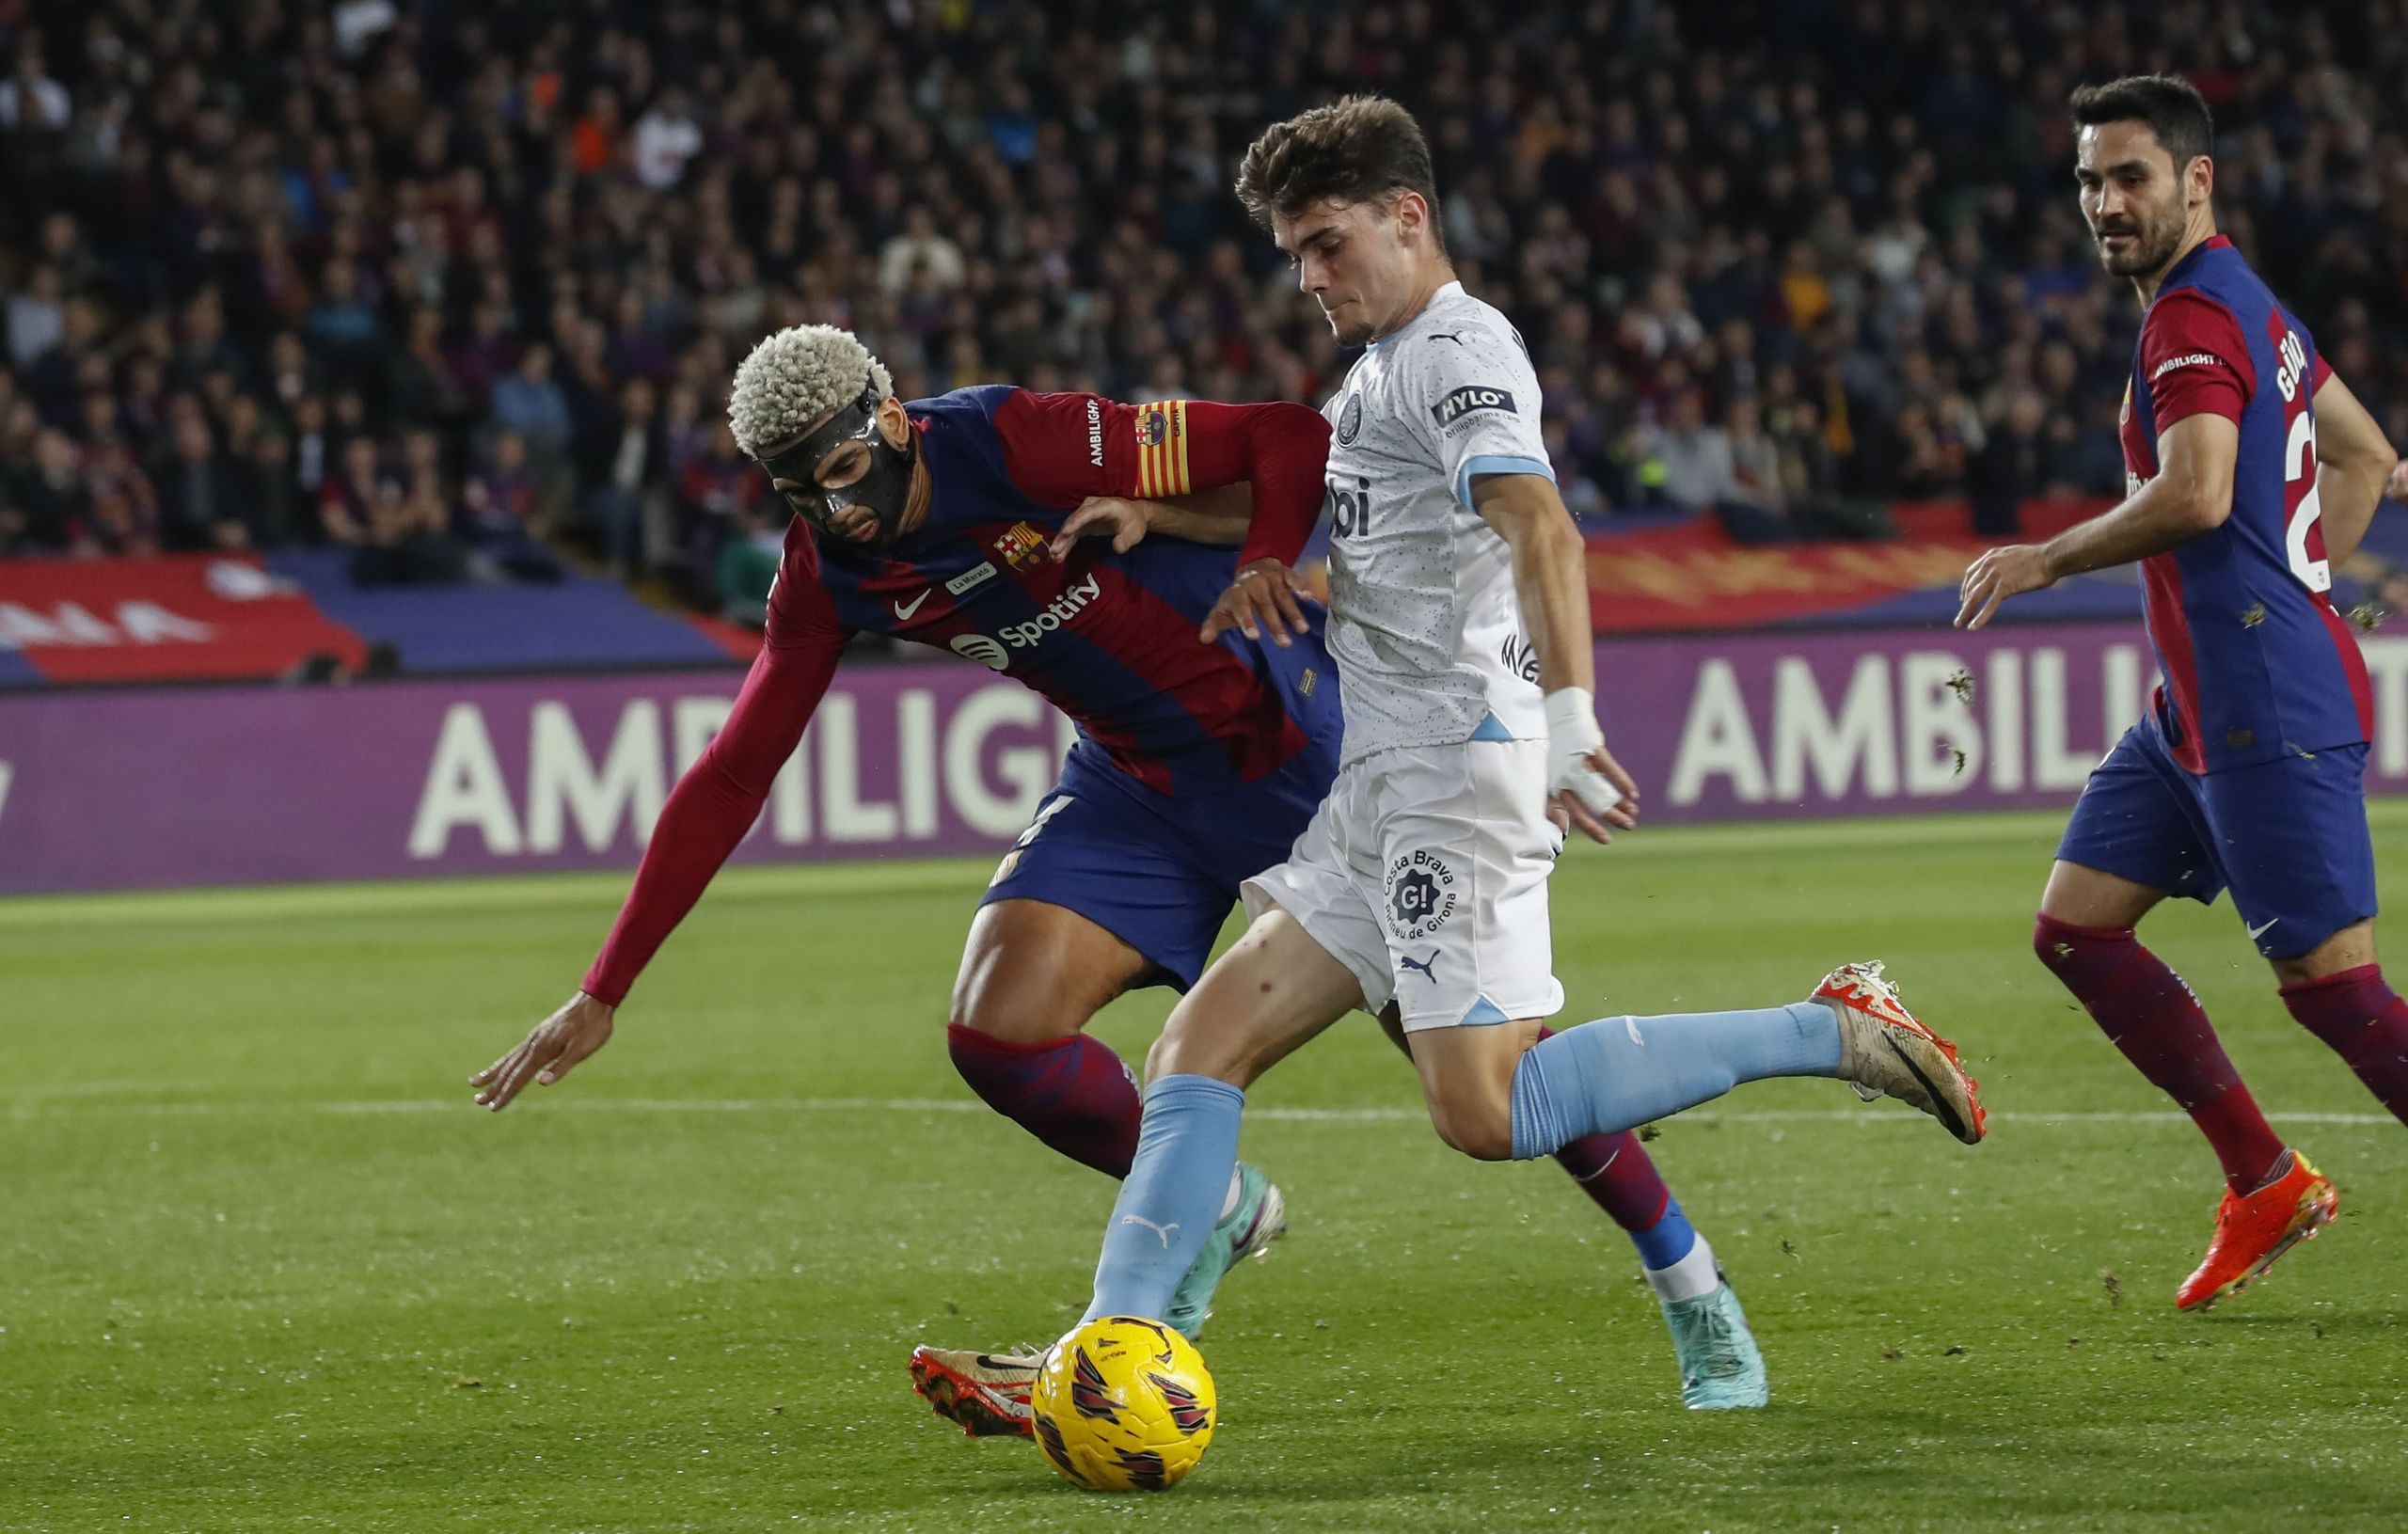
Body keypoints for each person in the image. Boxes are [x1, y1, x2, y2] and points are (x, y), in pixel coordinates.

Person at [467, 325, 1741, 1427]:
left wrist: (1267, 557)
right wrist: (604, 988)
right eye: (802, 493)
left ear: (891, 421)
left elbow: (1287, 436)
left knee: (1490, 1080)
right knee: (998, 1029)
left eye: (845, 473)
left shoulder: (1017, 439)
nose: (837, 512)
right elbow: (734, 772)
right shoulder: (828, 572)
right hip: (1137, 790)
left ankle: (1692, 1286)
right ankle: (1215, 1207)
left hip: (1304, 757)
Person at [1038, 95, 1986, 1416]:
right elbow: (1350, 519)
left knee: (1485, 1113)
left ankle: (1832, 1031)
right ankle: (1117, 1353)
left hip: (1458, 778)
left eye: (1325, 244)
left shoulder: (1459, 349)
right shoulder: (1375, 372)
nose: (1308, 277)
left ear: (1407, 217)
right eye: (1294, 254)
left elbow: (1542, 525)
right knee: (1196, 1050)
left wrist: (1572, 724)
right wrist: (1161, 513)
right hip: (1377, 787)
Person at [1958, 76, 2402, 1310]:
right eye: (2090, 181)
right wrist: (2311, 588)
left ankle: (2266, 1178)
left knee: (2337, 995)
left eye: (2131, 177)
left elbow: (2200, 493)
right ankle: (2264, 1180)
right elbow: (2369, 453)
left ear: (2196, 181)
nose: (2106, 203)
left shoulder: (2191, 320)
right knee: (2076, 930)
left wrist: (2046, 558)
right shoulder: (2245, 303)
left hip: (2262, 700)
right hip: (2197, 707)